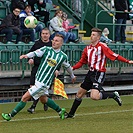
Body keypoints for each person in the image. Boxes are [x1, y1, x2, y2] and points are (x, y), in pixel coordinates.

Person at [2, 34, 76, 121]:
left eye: (57, 41)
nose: (54, 42)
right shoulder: (46, 49)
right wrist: (27, 55)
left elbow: (68, 67)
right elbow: (35, 53)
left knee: (25, 97)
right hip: (38, 79)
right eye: (54, 40)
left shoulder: (63, 56)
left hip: (44, 83)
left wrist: (72, 76)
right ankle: (60, 111)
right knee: (43, 99)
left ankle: (10, 116)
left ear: (61, 43)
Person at [65, 27, 133, 118]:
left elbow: (114, 55)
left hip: (99, 73)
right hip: (90, 73)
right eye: (91, 34)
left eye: (93, 35)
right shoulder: (87, 48)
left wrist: (127, 61)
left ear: (98, 37)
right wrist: (72, 68)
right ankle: (71, 114)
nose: (91, 36)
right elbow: (82, 62)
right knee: (79, 94)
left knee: (94, 96)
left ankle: (113, 94)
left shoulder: (102, 46)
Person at [27, 28, 52, 113]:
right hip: (36, 68)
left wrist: (57, 69)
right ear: (41, 34)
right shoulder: (37, 44)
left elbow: (56, 58)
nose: (45, 35)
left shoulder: (52, 44)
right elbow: (30, 53)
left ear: (49, 35)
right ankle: (44, 102)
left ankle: (33, 106)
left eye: (46, 34)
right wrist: (30, 59)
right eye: (43, 33)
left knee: (39, 88)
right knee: (32, 86)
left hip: (46, 70)